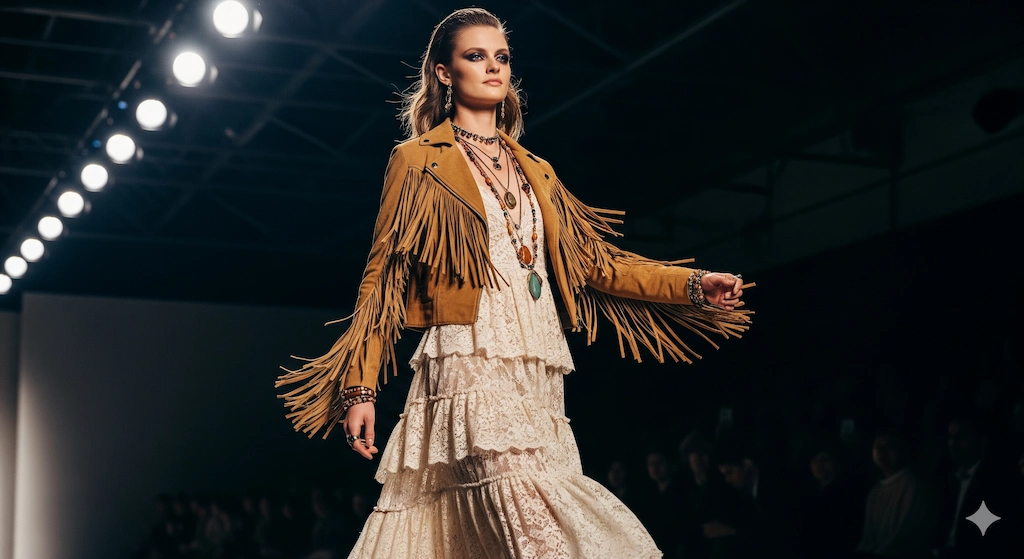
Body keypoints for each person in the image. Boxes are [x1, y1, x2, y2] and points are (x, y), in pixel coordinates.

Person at [276, 7, 750, 558]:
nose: (493, 68)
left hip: (537, 359)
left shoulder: (537, 169)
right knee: (536, 528)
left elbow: (598, 265)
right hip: (467, 356)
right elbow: (384, 279)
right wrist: (360, 387)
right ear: (444, 73)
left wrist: (693, 286)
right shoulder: (416, 161)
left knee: (500, 535)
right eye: (475, 56)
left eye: (501, 57)